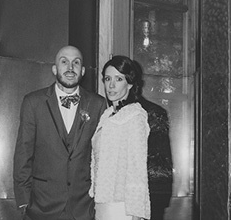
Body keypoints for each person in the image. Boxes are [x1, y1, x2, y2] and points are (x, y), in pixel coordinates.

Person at [13, 45, 107, 220]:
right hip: (41, 207)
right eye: (64, 62)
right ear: (55, 69)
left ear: (83, 70)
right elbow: (23, 153)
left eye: (76, 63)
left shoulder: (98, 104)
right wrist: (24, 201)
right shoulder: (33, 102)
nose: (70, 68)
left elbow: (102, 156)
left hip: (84, 207)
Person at [90, 56, 150, 220]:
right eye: (107, 79)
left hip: (122, 206)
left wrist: (136, 214)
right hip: (102, 203)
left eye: (118, 79)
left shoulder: (135, 117)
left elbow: (137, 169)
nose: (111, 85)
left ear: (129, 83)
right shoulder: (107, 115)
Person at [133, 62, 173, 220]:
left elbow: (161, 163)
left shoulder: (154, 114)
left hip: (149, 198)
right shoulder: (108, 114)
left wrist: (158, 201)